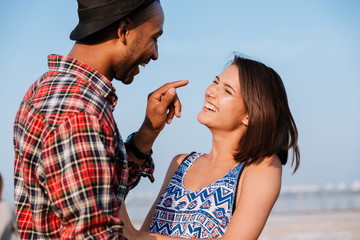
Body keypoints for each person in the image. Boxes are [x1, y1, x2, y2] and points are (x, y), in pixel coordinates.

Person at [13, 0, 188, 239]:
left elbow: (104, 193)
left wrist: (147, 133)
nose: (155, 54)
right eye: (154, 38)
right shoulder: (78, 112)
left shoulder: (51, 89)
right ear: (124, 29)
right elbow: (95, 234)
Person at [121, 54, 300, 239]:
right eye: (215, 82)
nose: (211, 91)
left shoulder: (261, 168)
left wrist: (133, 235)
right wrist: (149, 129)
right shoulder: (181, 163)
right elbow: (144, 233)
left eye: (227, 91)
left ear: (250, 115)